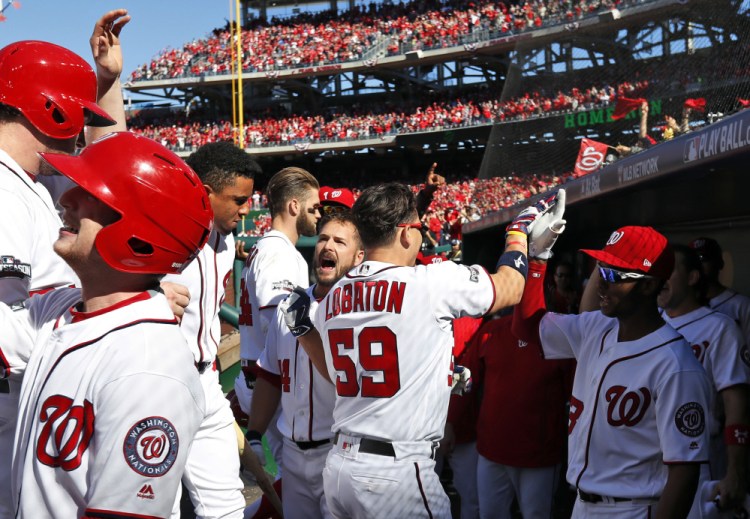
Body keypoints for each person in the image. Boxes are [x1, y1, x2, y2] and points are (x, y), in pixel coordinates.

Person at [280, 183, 562, 518]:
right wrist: (518, 235)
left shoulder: (336, 294)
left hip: (340, 468)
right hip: (396, 472)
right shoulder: (431, 281)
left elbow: (333, 371)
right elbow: (512, 288)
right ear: (404, 233)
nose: (420, 234)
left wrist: (437, 374)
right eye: (418, 228)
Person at [5, 131, 212, 517]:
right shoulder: (63, 311)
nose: (66, 198)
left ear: (136, 234)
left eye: (91, 195)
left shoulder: (151, 370)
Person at [0, 18, 129, 514]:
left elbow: (107, 161)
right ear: (49, 110)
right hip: (12, 399)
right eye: (76, 115)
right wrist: (104, 328)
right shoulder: (7, 189)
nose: (79, 128)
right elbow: (5, 329)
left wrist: (109, 79)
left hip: (31, 392)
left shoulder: (31, 180)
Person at [513, 224, 713, 518]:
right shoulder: (595, 327)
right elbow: (528, 328)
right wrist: (538, 258)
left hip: (632, 509)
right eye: (600, 268)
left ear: (648, 285)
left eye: (612, 274)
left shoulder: (676, 365)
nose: (600, 284)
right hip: (581, 505)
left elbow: (684, 474)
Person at [162, 141, 261, 519]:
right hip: (164, 382)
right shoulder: (162, 229)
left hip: (206, 380)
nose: (246, 208)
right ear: (205, 193)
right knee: (161, 506)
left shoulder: (227, 235)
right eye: (238, 199)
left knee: (226, 504)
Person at [246, 213, 365, 519]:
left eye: (340, 241)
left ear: (358, 256)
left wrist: (306, 332)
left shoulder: (361, 311)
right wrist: (256, 433)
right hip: (293, 455)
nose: (328, 246)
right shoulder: (289, 304)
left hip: (340, 453)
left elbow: (345, 379)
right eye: (323, 238)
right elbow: (270, 375)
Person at [235, 166, 321, 474]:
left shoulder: (265, 247)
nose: (318, 215)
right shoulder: (279, 252)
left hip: (258, 377)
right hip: (269, 383)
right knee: (296, 477)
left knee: (293, 477)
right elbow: (279, 323)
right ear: (294, 206)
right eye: (313, 208)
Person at [657, 244, 750, 514]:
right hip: (649, 460)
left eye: (670, 271)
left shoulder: (720, 327)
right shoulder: (650, 324)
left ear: (692, 278)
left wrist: (736, 473)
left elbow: (737, 405)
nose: (661, 278)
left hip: (698, 457)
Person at [465, 311, 573, 519]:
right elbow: (467, 379)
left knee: (536, 515)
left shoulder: (560, 335)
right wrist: (451, 421)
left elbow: (577, 393)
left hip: (539, 457)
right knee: (490, 514)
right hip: (492, 451)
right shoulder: (491, 331)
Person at [689, 237, 750, 345]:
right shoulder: (683, 306)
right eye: (693, 260)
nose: (698, 264)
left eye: (703, 257)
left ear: (720, 262)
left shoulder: (742, 305)